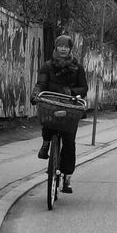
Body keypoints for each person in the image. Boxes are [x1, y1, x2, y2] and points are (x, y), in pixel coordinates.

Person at [33, 35, 89, 192]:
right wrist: (35, 93)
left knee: (69, 142)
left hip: (70, 108)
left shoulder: (78, 68)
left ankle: (67, 177)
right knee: (48, 124)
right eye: (60, 46)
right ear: (56, 48)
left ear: (70, 49)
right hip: (52, 105)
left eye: (66, 46)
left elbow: (84, 89)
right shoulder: (47, 66)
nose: (63, 49)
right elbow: (41, 83)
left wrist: (70, 91)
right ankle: (46, 143)